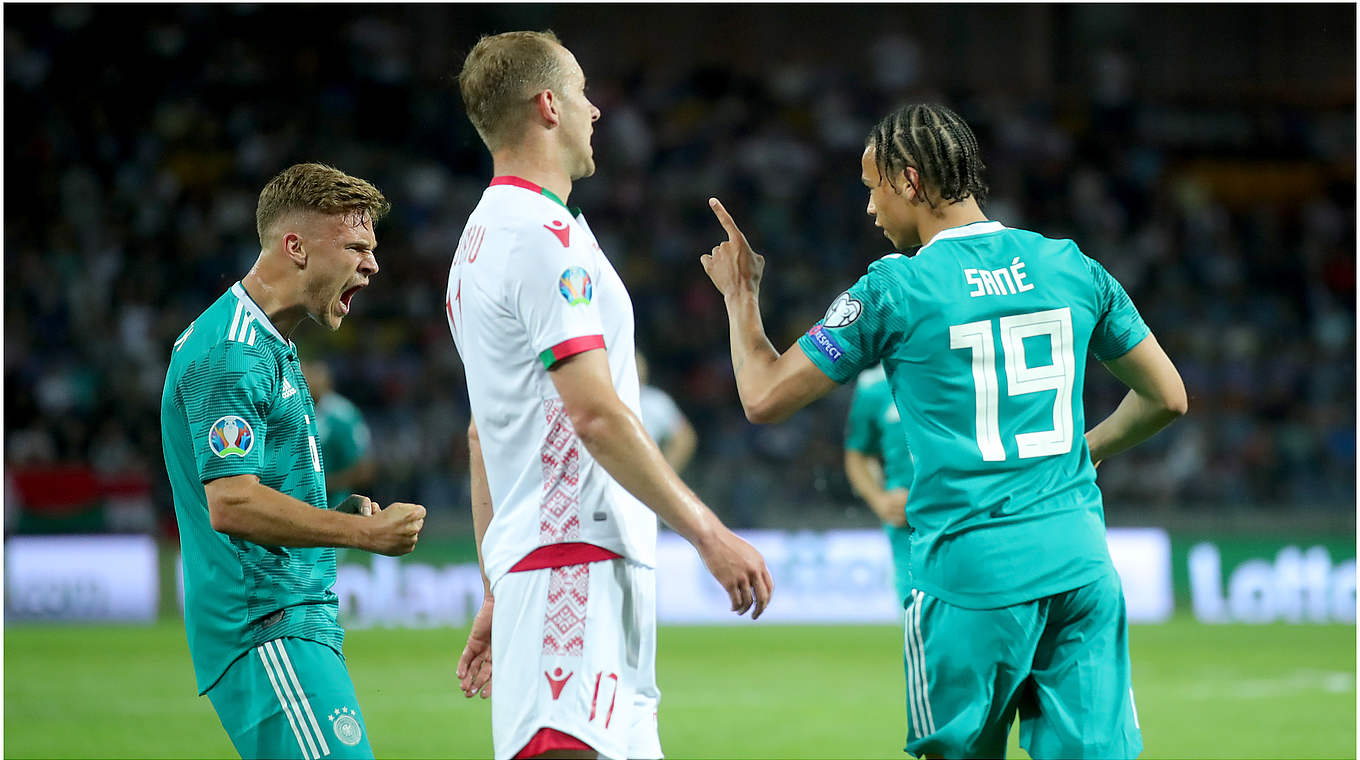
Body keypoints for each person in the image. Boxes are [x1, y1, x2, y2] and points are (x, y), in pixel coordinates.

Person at [700, 103, 1186, 759]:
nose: (870, 208)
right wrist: (1084, 450)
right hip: (1080, 567)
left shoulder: (895, 288)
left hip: (968, 582)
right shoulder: (1069, 264)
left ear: (908, 181)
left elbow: (762, 397)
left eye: (872, 187)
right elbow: (1167, 397)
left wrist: (740, 297)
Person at [446, 30, 773, 760]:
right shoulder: (542, 237)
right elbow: (592, 414)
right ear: (548, 106)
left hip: (565, 562)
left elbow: (481, 434)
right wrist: (708, 533)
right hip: (572, 560)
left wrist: (497, 585)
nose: (595, 110)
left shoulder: (481, 241)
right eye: (583, 92)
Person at [160, 163, 428, 760]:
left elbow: (257, 490)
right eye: (356, 247)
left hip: (289, 621)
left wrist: (330, 515)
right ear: (296, 247)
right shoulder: (231, 351)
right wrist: (362, 534)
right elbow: (232, 504)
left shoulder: (268, 343)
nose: (373, 265)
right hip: (264, 624)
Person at [843, 363, 914, 609]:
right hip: (906, 527)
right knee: (916, 614)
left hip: (964, 514)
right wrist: (879, 500)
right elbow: (858, 454)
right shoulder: (872, 386)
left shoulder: (963, 364)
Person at [302, 359, 376, 509]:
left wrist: (323, 484)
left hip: (334, 505)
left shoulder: (342, 415)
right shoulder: (293, 409)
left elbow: (364, 469)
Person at [636, 351, 699, 473]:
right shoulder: (605, 399)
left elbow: (685, 438)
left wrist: (667, 473)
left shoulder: (655, 401)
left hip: (642, 475)